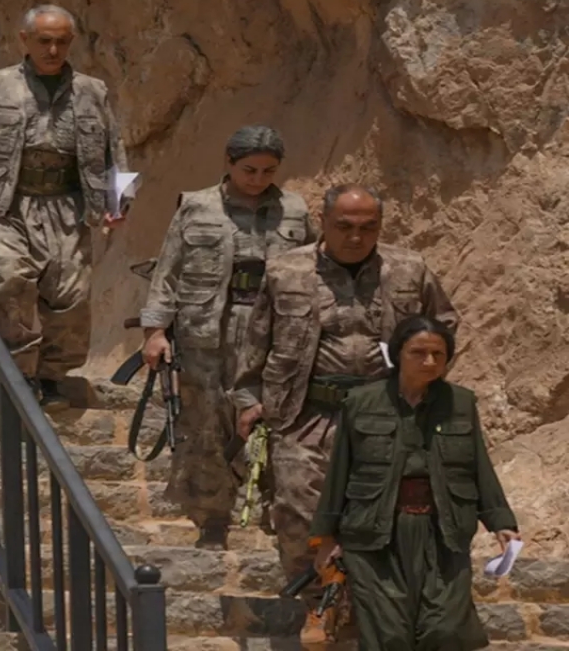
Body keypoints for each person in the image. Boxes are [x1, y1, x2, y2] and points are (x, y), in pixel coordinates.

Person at [230, 183, 458, 645]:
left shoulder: (409, 270)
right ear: (325, 221)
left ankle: (372, 607)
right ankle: (319, 603)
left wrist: (426, 379)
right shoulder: (284, 270)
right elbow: (255, 341)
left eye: (368, 227)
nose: (356, 236)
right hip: (306, 411)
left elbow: (444, 324)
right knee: (298, 510)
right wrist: (248, 398)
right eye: (345, 227)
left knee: (384, 515)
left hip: (386, 413)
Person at [0, 4, 131, 410]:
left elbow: (116, 150)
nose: (53, 49)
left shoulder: (92, 91)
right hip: (2, 205)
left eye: (62, 41)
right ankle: (15, 372)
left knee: (70, 295)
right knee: (11, 279)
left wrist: (119, 200)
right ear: (24, 40)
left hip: (67, 207)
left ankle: (52, 376)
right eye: (44, 40)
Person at [137, 125, 314, 550]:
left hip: (271, 328)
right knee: (205, 424)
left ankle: (278, 512)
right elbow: (168, 271)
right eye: (248, 169)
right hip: (206, 331)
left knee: (273, 419)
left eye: (268, 170)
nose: (257, 179)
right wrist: (155, 331)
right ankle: (212, 518)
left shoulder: (294, 210)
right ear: (229, 164)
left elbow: (312, 270)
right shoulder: (196, 206)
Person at [311, 315, 518, 650]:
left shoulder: (461, 403)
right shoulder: (361, 402)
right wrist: (326, 536)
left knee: (445, 628)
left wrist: (501, 521)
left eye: (438, 354)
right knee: (388, 634)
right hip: (374, 534)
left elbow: (478, 465)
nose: (429, 361)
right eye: (418, 352)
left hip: (443, 532)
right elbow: (338, 473)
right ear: (398, 354)